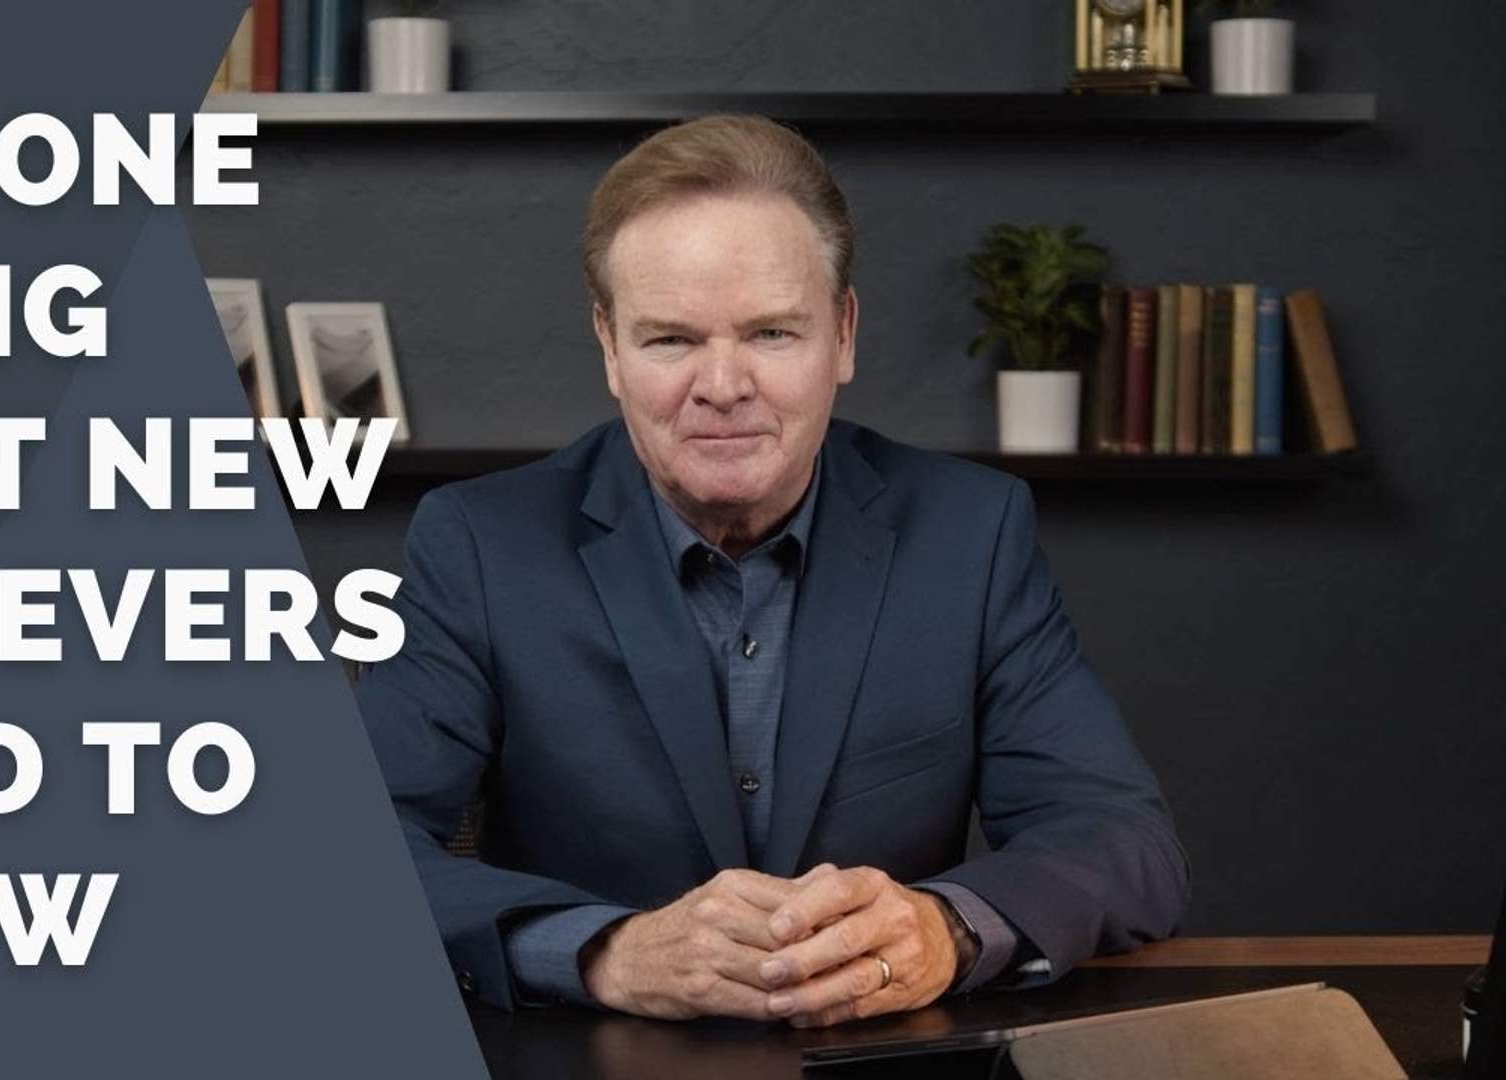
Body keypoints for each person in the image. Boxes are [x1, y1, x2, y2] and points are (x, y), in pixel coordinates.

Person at [357, 114, 1189, 1027]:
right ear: (609, 347)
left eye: (772, 335)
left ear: (842, 334)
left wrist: (944, 928)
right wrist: (604, 952)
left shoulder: (971, 531)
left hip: (883, 1057)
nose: (722, 385)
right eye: (671, 339)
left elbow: (1122, 840)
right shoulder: (480, 543)